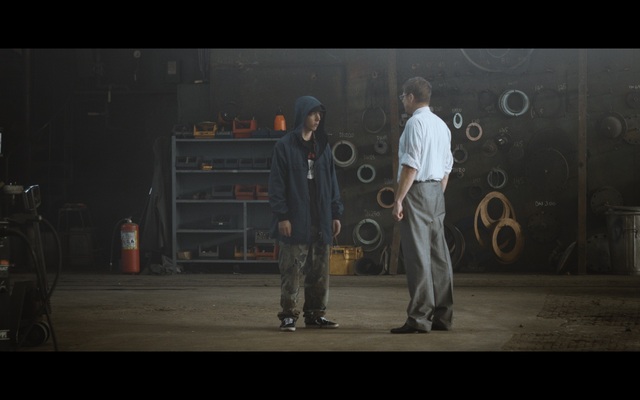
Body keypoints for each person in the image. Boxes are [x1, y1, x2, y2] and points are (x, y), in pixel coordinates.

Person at [268, 95, 344, 332]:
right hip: (295, 219)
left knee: (319, 270)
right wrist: (282, 216)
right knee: (291, 269)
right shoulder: (284, 146)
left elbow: (332, 182)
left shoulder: (323, 147)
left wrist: (335, 213)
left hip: (321, 219)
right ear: (302, 115)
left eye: (320, 114)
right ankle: (288, 315)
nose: (318, 118)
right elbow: (276, 184)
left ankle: (315, 314)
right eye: (313, 113)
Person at [390, 77, 454, 334]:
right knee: (439, 256)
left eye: (403, 97)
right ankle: (443, 317)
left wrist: (399, 199)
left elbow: (411, 166)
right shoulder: (441, 125)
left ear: (410, 97)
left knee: (418, 256)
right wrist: (436, 194)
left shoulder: (414, 123)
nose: (403, 102)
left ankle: (418, 319)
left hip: (416, 191)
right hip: (436, 191)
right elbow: (447, 167)